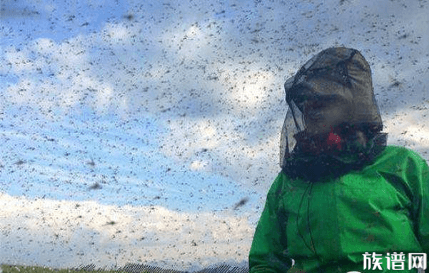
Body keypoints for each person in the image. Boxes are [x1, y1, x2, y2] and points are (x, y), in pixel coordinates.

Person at [248, 47, 429, 273]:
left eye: (323, 102)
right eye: (306, 104)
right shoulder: (290, 180)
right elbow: (265, 262)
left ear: (353, 106)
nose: (311, 111)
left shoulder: (404, 165)